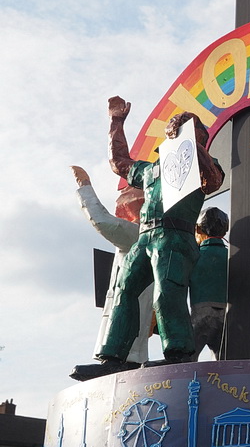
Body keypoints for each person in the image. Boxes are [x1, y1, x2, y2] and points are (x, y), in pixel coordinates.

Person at [71, 96, 224, 380]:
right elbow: (119, 163)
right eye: (176, 128)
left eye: (187, 129)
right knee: (125, 289)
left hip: (175, 237)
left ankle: (178, 353)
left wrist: (193, 145)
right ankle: (115, 357)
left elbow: (213, 180)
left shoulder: (203, 164)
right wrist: (116, 122)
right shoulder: (151, 169)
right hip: (145, 236)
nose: (177, 131)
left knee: (167, 293)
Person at [69, 166, 154, 380]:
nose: (121, 198)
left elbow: (102, 221)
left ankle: (116, 361)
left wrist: (85, 187)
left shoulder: (135, 232)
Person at [188, 206, 229, 361]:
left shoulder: (194, 256)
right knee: (225, 363)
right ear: (224, 231)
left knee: (187, 359)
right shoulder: (231, 257)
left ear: (197, 229)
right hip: (226, 316)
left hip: (199, 314)